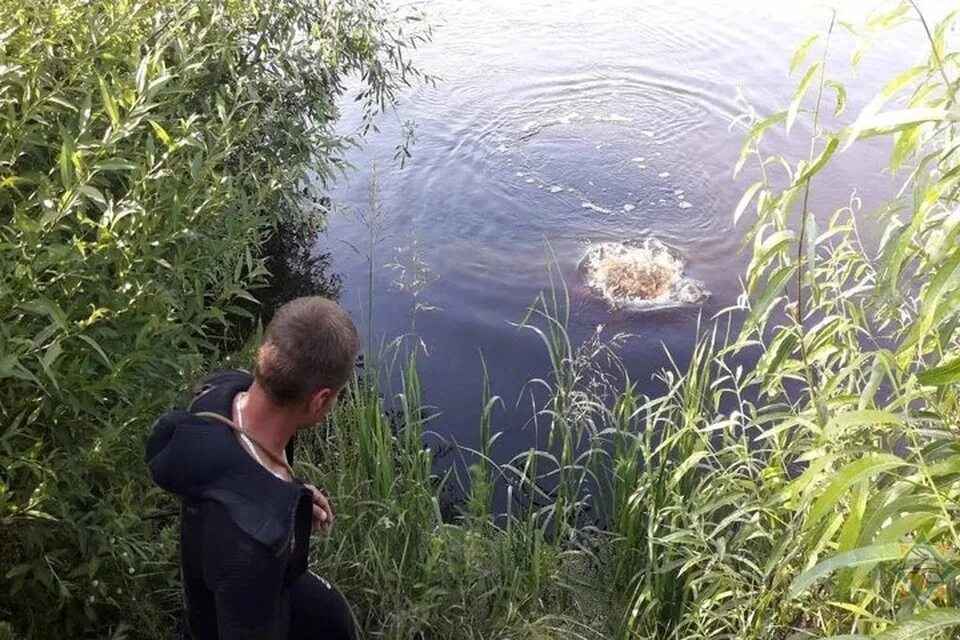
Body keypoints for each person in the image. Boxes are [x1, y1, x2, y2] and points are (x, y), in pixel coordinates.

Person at [146, 297, 361, 639]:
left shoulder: (217, 396)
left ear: (264, 354)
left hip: (220, 588)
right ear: (319, 400)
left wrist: (292, 494)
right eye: (336, 396)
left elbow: (237, 473)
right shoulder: (254, 549)